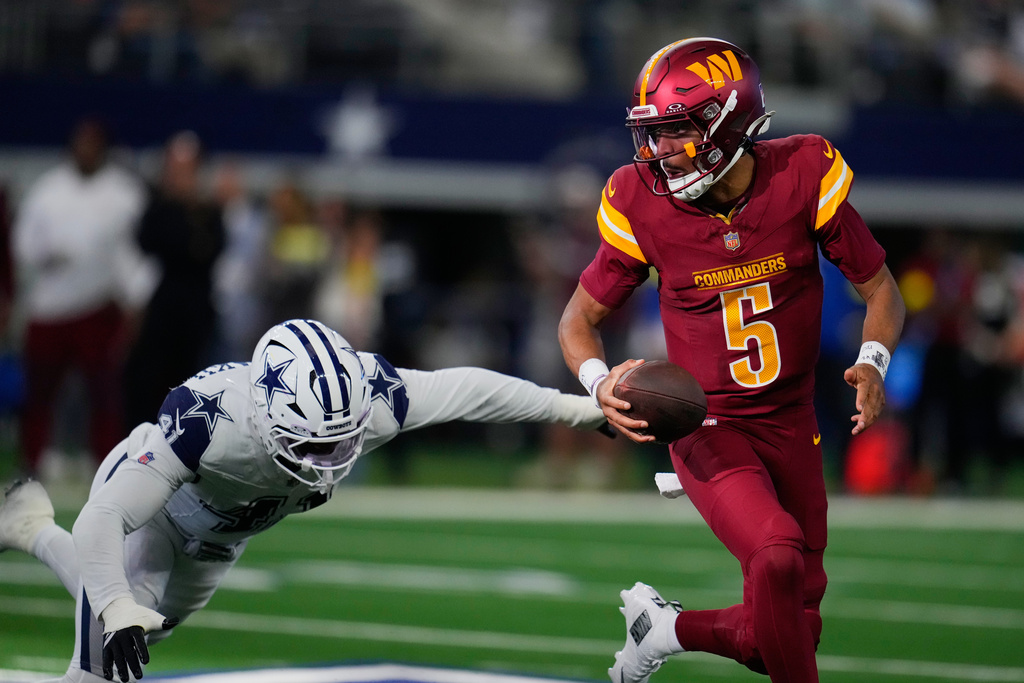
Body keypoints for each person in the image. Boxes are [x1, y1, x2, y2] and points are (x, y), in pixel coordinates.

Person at [557, 38, 906, 683]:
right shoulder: (641, 199)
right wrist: (597, 382)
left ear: (728, 122)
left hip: (792, 423)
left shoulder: (802, 172)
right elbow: (578, 319)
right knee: (776, 555)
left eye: (675, 132)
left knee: (792, 630)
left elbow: (881, 288)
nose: (658, 151)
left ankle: (663, 629)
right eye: (652, 134)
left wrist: (875, 360)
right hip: (705, 425)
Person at [0, 317, 607, 683]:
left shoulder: (370, 400)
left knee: (146, 631)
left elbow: (470, 389)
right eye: (312, 446)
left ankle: (30, 526)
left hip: (223, 539)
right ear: (266, 418)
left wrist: (579, 409)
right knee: (100, 665)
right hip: (156, 516)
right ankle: (45, 538)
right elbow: (107, 514)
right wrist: (113, 605)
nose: (327, 463)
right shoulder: (210, 420)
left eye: (338, 443)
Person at [12, 117, 151, 478]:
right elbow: (23, 243)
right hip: (49, 306)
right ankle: (34, 461)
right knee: (40, 393)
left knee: (105, 394)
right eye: (81, 143)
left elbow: (134, 254)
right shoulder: (48, 190)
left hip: (98, 307)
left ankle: (106, 464)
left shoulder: (123, 194)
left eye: (94, 144)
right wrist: (48, 255)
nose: (86, 151)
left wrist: (136, 301)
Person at [122, 130, 226, 430]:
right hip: (161, 310)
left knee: (192, 386)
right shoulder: (157, 207)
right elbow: (148, 242)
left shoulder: (207, 211)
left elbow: (209, 251)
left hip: (195, 312)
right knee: (146, 383)